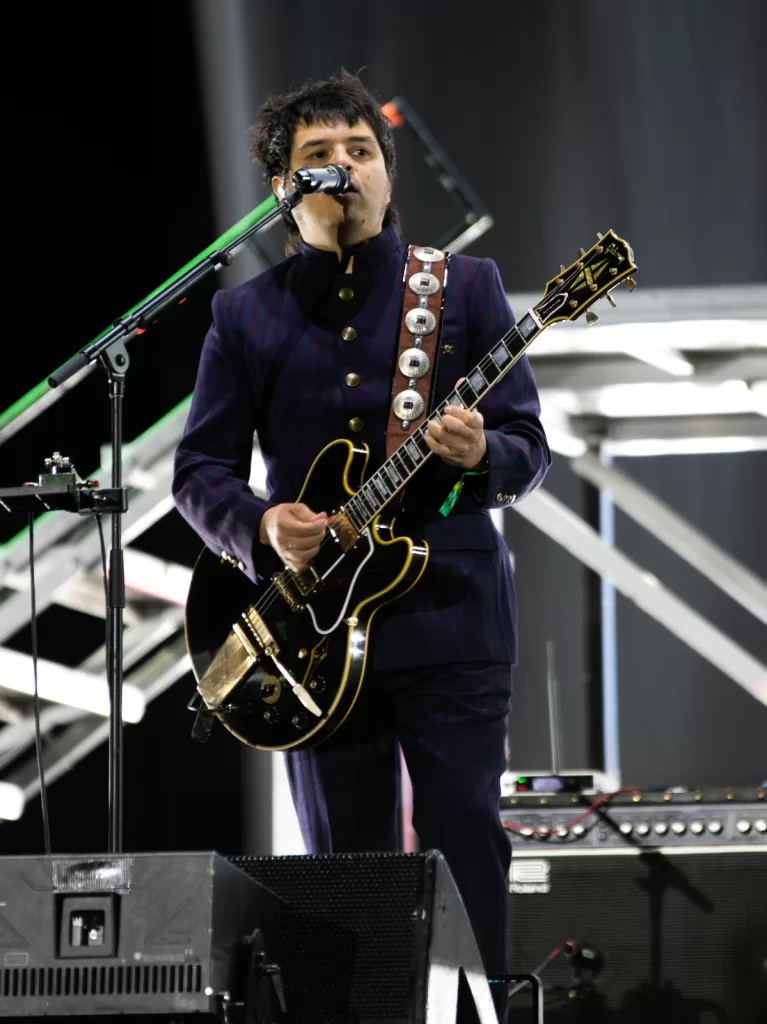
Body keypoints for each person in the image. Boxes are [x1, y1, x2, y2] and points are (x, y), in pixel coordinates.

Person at [172, 71, 551, 1017]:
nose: (344, 165)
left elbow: (527, 450)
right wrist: (261, 525)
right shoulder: (243, 314)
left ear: (386, 173)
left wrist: (481, 454)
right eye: (318, 154)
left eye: (361, 151)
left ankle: (478, 1016)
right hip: (310, 638)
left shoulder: (462, 288)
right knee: (343, 872)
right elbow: (200, 471)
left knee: (464, 842)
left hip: (450, 616)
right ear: (282, 188)